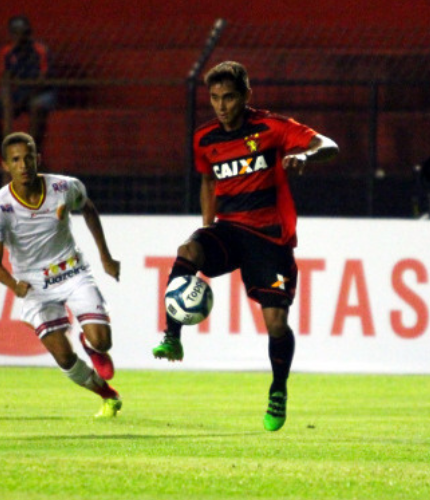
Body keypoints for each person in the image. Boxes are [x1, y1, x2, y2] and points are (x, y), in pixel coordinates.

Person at [152, 61, 339, 432]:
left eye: (230, 98)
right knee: (188, 251)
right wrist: (207, 230)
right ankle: (172, 335)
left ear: (247, 96)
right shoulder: (205, 138)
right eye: (215, 98)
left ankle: (278, 388)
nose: (221, 106)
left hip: (270, 238)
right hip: (230, 230)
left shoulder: (271, 128)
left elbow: (329, 145)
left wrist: (305, 155)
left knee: (276, 323)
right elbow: (207, 182)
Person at [0, 132, 122, 417]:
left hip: (71, 271)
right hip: (34, 286)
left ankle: (91, 345)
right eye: (16, 160)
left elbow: (88, 208)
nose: (24, 165)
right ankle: (106, 394)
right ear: (6, 166)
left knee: (102, 341)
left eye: (28, 157)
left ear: (38, 159)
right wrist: (13, 285)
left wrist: (105, 257)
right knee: (64, 356)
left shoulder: (63, 187)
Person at [0, 15, 56, 171]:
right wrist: (8, 98)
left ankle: (30, 155)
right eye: (16, 33)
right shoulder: (8, 52)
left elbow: (44, 80)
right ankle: (0, 153)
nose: (20, 36)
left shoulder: (40, 51)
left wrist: (25, 98)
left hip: (39, 91)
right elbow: (6, 78)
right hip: (19, 93)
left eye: (23, 33)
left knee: (38, 106)